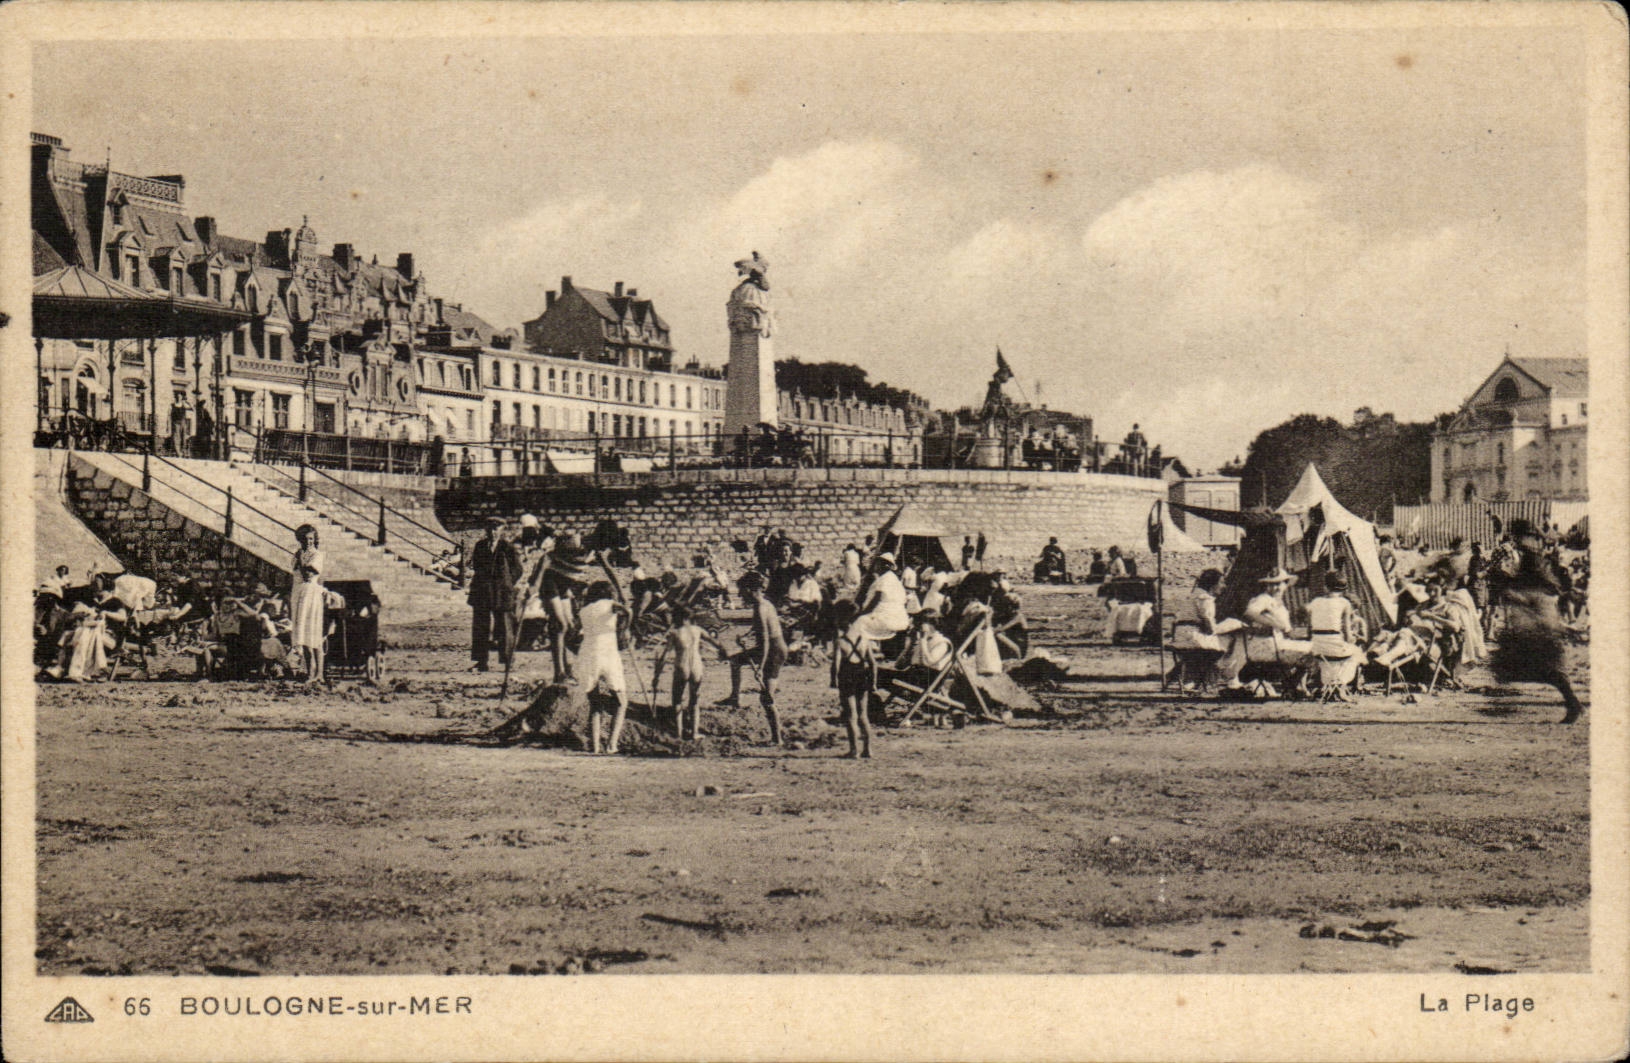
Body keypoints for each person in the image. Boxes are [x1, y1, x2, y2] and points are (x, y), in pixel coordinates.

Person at [1490, 519, 1584, 723]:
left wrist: (1506, 582)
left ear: (1525, 536)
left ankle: (1571, 703)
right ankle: (1572, 703)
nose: (1515, 539)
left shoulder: (1532, 559)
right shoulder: (1532, 557)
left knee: (1535, 664)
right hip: (1537, 615)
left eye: (1517, 535)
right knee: (1537, 666)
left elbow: (1537, 585)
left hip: (1538, 618)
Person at [1217, 567, 1311, 691]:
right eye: (1271, 585)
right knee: (1315, 651)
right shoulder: (1263, 599)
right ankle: (1293, 683)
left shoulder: (1277, 602)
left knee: (1315, 648)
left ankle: (1294, 683)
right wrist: (1273, 623)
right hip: (1267, 647)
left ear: (1286, 584)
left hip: (1276, 644)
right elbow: (1250, 612)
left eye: (1279, 584)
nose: (1275, 588)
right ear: (1266, 586)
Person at [725, 571, 789, 747]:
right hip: (770, 648)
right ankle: (734, 697)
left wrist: (760, 667)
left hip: (773, 651)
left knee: (766, 697)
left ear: (749, 589)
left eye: (741, 591)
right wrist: (746, 636)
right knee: (735, 661)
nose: (740, 595)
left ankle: (777, 738)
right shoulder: (763, 604)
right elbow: (759, 629)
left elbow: (766, 639)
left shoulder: (761, 607)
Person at [651, 604, 725, 741]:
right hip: (697, 666)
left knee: (677, 700)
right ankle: (694, 732)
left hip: (682, 666)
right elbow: (715, 642)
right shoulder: (698, 630)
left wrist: (656, 675)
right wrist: (723, 651)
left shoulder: (675, 633)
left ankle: (678, 734)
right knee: (694, 701)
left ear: (680, 617)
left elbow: (665, 656)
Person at [574, 581, 631, 753]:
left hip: (587, 653)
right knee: (621, 701)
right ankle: (612, 745)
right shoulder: (609, 604)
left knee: (595, 703)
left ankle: (596, 747)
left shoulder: (584, 610)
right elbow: (627, 611)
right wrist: (624, 629)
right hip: (607, 652)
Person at [467, 517, 522, 673]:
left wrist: (506, 583)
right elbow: (477, 566)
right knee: (480, 627)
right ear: (486, 530)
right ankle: (481, 662)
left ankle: (507, 662)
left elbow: (518, 569)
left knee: (505, 626)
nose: (493, 532)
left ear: (502, 530)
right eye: (490, 528)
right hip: (482, 591)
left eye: (496, 528)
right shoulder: (480, 546)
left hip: (502, 592)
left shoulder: (508, 547)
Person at [1305, 571, 1364, 693]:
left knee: (1328, 659)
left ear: (1325, 587)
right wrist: (1352, 639)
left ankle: (1329, 684)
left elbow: (1309, 629)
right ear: (1343, 590)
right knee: (1357, 653)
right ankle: (1340, 684)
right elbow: (1347, 635)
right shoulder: (1345, 603)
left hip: (1317, 647)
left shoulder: (1315, 602)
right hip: (1335, 645)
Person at [289, 524, 327, 684]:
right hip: (298, 594)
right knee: (302, 634)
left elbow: (308, 574)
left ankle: (318, 673)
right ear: (300, 540)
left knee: (313, 634)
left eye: (311, 538)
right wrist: (298, 559)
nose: (308, 542)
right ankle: (310, 670)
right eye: (305, 539)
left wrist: (299, 561)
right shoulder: (299, 553)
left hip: (310, 595)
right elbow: (294, 571)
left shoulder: (317, 555)